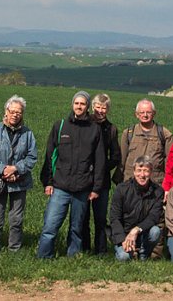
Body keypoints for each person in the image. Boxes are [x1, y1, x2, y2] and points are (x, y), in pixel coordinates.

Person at [37, 91, 105, 258]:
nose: (79, 106)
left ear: (87, 106)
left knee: (77, 228)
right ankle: (44, 256)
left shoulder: (94, 129)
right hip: (60, 186)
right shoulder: (60, 126)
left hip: (82, 188)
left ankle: (72, 257)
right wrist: (48, 182)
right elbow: (50, 156)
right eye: (76, 103)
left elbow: (99, 161)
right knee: (50, 226)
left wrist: (96, 188)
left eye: (82, 104)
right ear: (72, 105)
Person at [0, 95, 37, 252]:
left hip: (20, 181)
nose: (15, 115)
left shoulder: (28, 134)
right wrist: (4, 170)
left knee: (16, 219)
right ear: (6, 111)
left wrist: (16, 169)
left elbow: (32, 157)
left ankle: (14, 250)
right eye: (12, 111)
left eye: (18, 112)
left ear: (22, 114)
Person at [77, 93, 121, 255]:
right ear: (92, 107)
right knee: (83, 216)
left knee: (100, 218)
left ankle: (101, 251)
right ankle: (85, 249)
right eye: (98, 107)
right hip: (83, 178)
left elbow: (115, 156)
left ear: (108, 109)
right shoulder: (84, 124)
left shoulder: (111, 129)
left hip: (102, 181)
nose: (100, 110)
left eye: (104, 108)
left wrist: (101, 168)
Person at [109, 156, 164, 261]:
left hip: (143, 232)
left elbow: (153, 217)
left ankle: (143, 255)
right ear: (134, 172)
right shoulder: (121, 189)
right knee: (124, 258)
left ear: (151, 172)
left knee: (155, 231)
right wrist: (122, 239)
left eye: (146, 171)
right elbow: (114, 218)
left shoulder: (158, 191)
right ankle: (126, 251)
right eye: (139, 170)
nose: (142, 175)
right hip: (123, 234)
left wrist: (136, 230)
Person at [119, 99, 173, 186]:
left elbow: (170, 162)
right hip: (131, 183)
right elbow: (122, 160)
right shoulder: (128, 133)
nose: (145, 115)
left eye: (148, 112)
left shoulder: (164, 134)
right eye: (142, 112)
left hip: (155, 184)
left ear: (154, 113)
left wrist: (168, 184)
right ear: (137, 114)